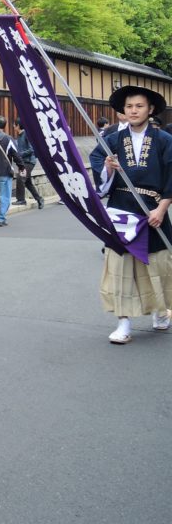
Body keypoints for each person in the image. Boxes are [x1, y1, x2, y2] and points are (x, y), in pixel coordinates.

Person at [95, 85, 172, 344]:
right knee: (120, 268)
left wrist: (162, 208)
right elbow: (99, 172)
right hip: (121, 211)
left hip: (153, 210)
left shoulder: (164, 140)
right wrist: (108, 168)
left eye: (139, 106)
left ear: (150, 109)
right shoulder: (112, 139)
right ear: (122, 111)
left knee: (158, 265)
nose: (134, 111)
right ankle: (124, 323)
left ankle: (161, 312)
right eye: (129, 106)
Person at [13, 118, 44, 209]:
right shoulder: (19, 135)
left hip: (29, 161)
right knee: (27, 183)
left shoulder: (26, 134)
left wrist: (20, 154)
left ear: (18, 125)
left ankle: (21, 200)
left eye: (14, 125)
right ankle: (39, 199)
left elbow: (32, 149)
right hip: (23, 162)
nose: (13, 126)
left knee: (20, 178)